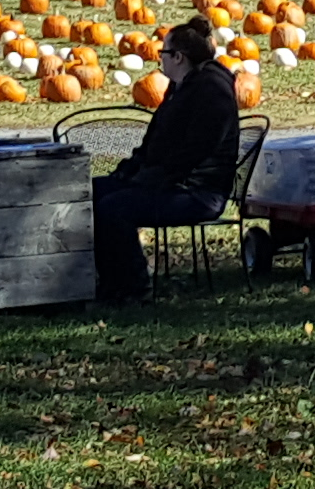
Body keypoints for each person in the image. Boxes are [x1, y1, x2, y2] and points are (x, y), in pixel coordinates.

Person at [92, 18, 245, 305]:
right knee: (89, 194)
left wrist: (152, 177)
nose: (159, 58)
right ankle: (105, 280)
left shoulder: (212, 92)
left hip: (196, 192)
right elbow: (154, 142)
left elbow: (195, 152)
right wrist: (130, 170)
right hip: (166, 181)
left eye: (163, 52)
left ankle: (134, 288)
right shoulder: (181, 86)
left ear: (178, 57)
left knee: (113, 209)